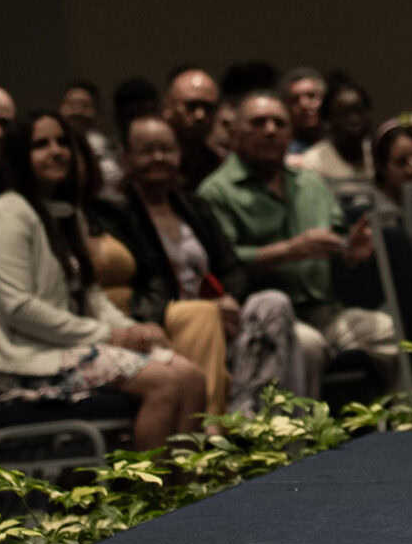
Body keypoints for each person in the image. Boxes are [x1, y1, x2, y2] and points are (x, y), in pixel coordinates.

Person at [0, 114, 208, 448]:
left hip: (68, 345)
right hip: (26, 359)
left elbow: (91, 295)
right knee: (165, 383)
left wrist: (132, 329)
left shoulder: (66, 211)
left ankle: (190, 488)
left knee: (192, 377)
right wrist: (109, 335)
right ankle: (154, 496)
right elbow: (18, 308)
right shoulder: (7, 213)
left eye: (62, 142)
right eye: (41, 144)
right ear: (20, 155)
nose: (57, 151)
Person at [98, 114, 311, 413]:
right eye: (147, 150)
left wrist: (227, 298)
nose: (158, 157)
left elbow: (231, 267)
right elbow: (136, 288)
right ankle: (222, 426)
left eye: (166, 149)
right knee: (201, 315)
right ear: (126, 158)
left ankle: (257, 420)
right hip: (167, 322)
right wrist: (202, 307)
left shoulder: (193, 207)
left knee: (273, 303)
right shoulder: (115, 215)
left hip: (219, 316)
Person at [194, 91, 399, 378]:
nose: (270, 130)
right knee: (307, 346)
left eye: (279, 123)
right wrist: (291, 249)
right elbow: (225, 263)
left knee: (388, 333)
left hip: (324, 311)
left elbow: (340, 244)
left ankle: (395, 420)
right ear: (235, 132)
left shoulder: (311, 183)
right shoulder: (216, 191)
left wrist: (350, 251)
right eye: (258, 123)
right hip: (260, 320)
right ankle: (304, 424)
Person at [292, 70, 377, 194]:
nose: (354, 119)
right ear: (328, 120)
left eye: (359, 111)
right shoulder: (312, 162)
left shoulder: (379, 154)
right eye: (344, 114)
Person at [163, 66, 223, 189]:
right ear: (168, 106)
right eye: (191, 106)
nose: (200, 115)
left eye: (208, 107)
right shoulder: (153, 162)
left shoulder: (219, 165)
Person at [279, 68, 328, 152]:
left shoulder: (338, 142)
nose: (303, 104)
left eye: (311, 96)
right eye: (295, 100)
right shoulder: (281, 147)